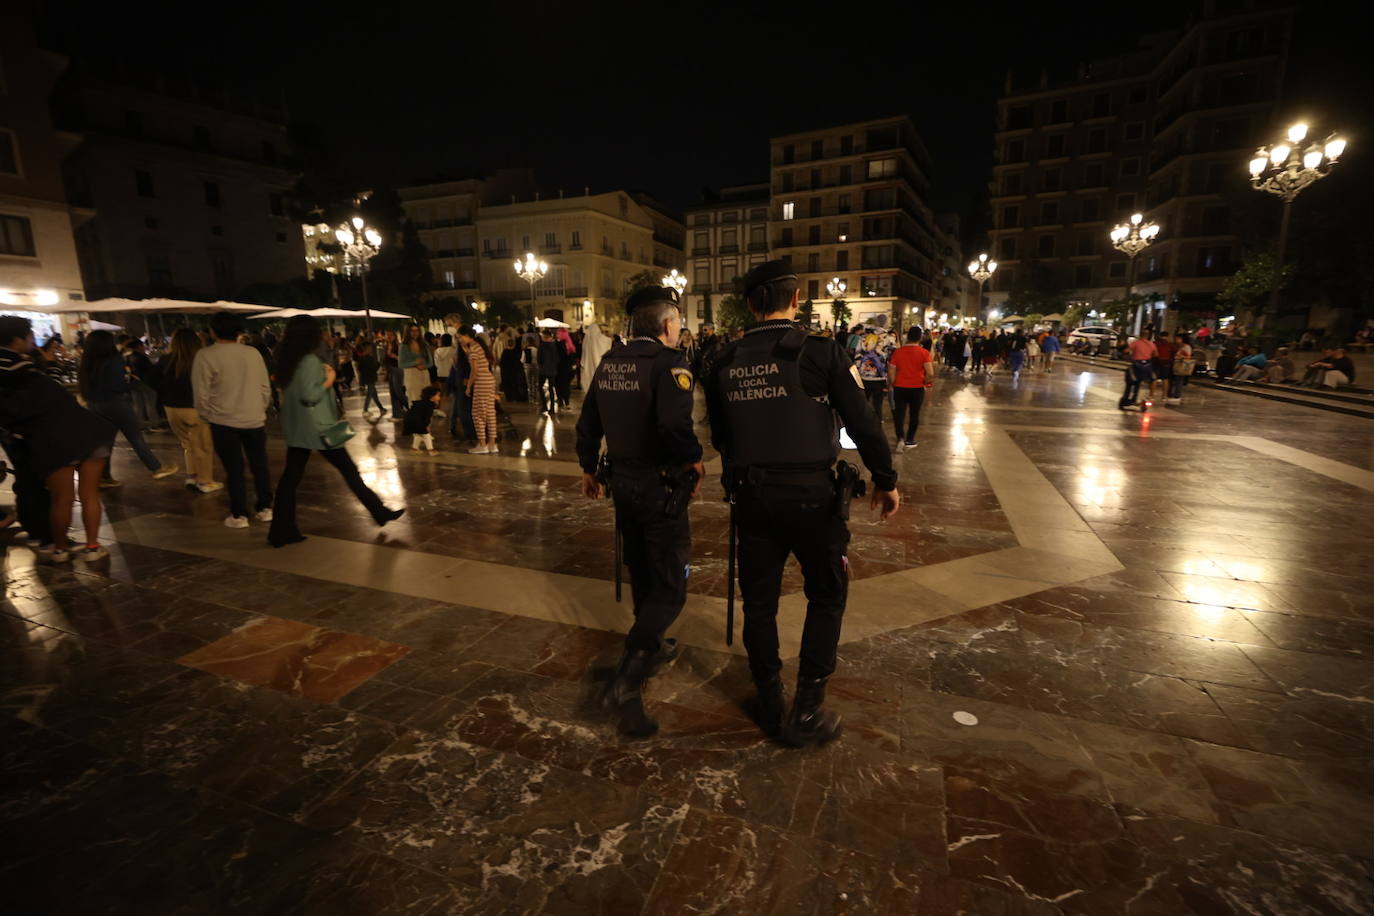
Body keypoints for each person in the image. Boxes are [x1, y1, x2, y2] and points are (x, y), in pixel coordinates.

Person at [703, 260, 900, 747]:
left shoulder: (723, 360)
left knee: (760, 603)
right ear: (795, 302)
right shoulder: (818, 352)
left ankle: (769, 697)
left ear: (750, 304)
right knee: (827, 594)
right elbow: (863, 421)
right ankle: (807, 708)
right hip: (812, 497)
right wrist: (885, 478)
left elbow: (722, 437)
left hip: (751, 496)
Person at [575, 285, 703, 738]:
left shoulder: (611, 362)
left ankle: (652, 645)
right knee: (671, 586)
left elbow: (588, 421)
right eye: (678, 322)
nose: (680, 329)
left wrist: (588, 467)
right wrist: (693, 456)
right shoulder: (670, 365)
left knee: (642, 567)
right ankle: (627, 680)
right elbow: (673, 425)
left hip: (622, 484)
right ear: (667, 325)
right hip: (660, 485)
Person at [266, 316, 403, 548]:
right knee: (349, 471)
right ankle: (379, 512)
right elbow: (311, 395)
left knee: (291, 478)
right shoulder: (309, 360)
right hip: (319, 428)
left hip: (299, 427)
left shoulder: (288, 360)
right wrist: (329, 379)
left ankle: (281, 530)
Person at [0, 316, 115, 562]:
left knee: (61, 499)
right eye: (30, 336)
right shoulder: (23, 369)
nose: (33, 341)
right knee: (89, 495)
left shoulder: (15, 368)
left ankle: (60, 548)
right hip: (87, 433)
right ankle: (93, 548)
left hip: (50, 441)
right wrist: (50, 365)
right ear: (17, 340)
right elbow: (49, 394)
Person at [193, 312, 273, 529]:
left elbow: (201, 393)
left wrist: (206, 415)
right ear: (239, 332)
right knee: (259, 465)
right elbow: (265, 387)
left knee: (234, 469)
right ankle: (265, 508)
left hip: (223, 421)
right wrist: (259, 408)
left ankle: (239, 514)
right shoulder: (252, 353)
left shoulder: (205, 355)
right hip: (254, 418)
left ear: (212, 332)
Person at [78, 330, 179, 486]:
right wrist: (135, 383)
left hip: (95, 405)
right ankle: (156, 468)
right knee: (135, 437)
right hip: (116, 404)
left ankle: (104, 476)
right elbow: (117, 386)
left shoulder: (86, 362)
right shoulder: (114, 360)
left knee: (107, 443)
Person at [156, 328, 221, 493]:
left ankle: (191, 476)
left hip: (171, 409)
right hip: (194, 408)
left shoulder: (165, 360)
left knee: (188, 444)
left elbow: (153, 380)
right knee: (204, 446)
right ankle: (205, 481)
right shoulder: (200, 359)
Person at [888, 326, 933, 451]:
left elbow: (891, 370)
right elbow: (930, 373)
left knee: (899, 414)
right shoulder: (924, 353)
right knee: (914, 414)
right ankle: (910, 439)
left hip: (899, 387)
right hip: (917, 388)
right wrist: (925, 382)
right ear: (920, 338)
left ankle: (900, 438)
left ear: (908, 337)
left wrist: (891, 383)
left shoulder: (898, 352)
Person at [458, 326, 499, 454]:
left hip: (481, 382)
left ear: (467, 335)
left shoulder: (474, 348)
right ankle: (492, 444)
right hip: (489, 381)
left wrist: (469, 386)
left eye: (460, 337)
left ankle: (482, 444)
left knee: (478, 414)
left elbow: (474, 371)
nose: (460, 340)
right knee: (490, 413)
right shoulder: (478, 346)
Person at [124, 338, 161, 430]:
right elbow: (151, 370)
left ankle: (140, 424)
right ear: (138, 347)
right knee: (150, 403)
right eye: (142, 346)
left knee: (138, 405)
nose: (144, 348)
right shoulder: (141, 357)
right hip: (144, 382)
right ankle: (154, 424)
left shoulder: (128, 357)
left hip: (133, 383)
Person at [854, 336, 889, 425]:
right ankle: (878, 420)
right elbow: (887, 361)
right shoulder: (885, 341)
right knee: (878, 403)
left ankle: (863, 420)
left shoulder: (862, 341)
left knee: (864, 402)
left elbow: (857, 360)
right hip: (879, 379)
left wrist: (859, 373)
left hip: (865, 378)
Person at [1120, 331, 1157, 409]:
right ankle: (1135, 399)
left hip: (1136, 365)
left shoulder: (1136, 343)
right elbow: (1156, 354)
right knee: (1138, 383)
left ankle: (1127, 401)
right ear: (1148, 336)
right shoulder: (1151, 344)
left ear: (1140, 335)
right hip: (1147, 365)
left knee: (1130, 382)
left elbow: (1126, 351)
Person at [399, 324, 431, 407]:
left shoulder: (424, 344)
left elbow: (430, 362)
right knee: (414, 399)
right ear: (408, 332)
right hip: (411, 375)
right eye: (412, 331)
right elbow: (401, 364)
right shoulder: (404, 346)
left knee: (426, 397)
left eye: (417, 330)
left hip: (424, 374)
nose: (415, 333)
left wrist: (425, 366)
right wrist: (415, 363)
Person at [404, 385, 440, 453]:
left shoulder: (424, 403)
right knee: (426, 435)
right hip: (416, 421)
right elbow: (427, 417)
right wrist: (426, 426)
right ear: (432, 397)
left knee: (418, 435)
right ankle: (431, 450)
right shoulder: (429, 406)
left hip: (410, 420)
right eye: (438, 395)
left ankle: (414, 449)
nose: (439, 397)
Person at [580, 321, 613, 393]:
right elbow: (608, 342)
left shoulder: (586, 340)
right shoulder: (603, 340)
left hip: (589, 366)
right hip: (600, 369)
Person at [355, 341, 385, 417]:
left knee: (374, 394)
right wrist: (379, 363)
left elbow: (359, 369)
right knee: (369, 394)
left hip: (366, 378)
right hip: (371, 378)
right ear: (367, 349)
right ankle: (365, 410)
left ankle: (381, 408)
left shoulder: (361, 358)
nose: (371, 349)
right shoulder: (370, 358)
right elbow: (374, 368)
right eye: (370, 348)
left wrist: (361, 381)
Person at [537, 330, 561, 415]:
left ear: (544, 336)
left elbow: (539, 359)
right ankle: (552, 408)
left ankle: (544, 406)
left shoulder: (541, 346)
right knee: (551, 388)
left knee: (540, 387)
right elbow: (557, 359)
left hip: (543, 370)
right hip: (552, 370)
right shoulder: (554, 346)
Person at [1168, 333, 1194, 404]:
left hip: (1181, 366)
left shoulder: (1186, 347)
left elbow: (1188, 357)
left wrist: (1181, 357)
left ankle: (1177, 395)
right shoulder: (1177, 346)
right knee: (1173, 381)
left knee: (1179, 381)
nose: (1176, 340)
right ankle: (1171, 394)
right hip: (1175, 365)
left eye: (1178, 339)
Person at [433, 334, 456, 398]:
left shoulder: (437, 351)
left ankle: (443, 407)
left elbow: (436, 364)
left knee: (443, 394)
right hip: (452, 374)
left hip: (441, 374)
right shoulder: (453, 350)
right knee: (452, 394)